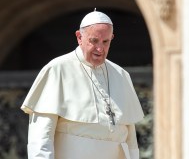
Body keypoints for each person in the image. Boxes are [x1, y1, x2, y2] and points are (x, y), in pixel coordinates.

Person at [20, 9, 144, 159]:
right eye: (94, 41)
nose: (100, 49)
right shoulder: (57, 69)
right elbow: (41, 137)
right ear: (79, 37)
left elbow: (130, 139)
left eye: (106, 42)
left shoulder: (121, 75)